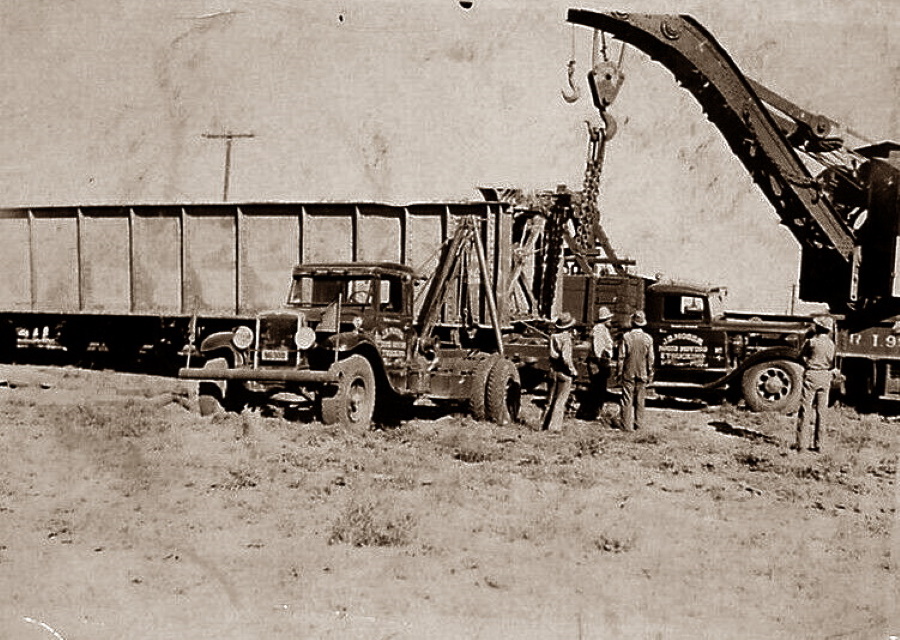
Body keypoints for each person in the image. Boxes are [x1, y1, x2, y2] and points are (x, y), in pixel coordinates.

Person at [795, 315, 836, 452]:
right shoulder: (831, 344)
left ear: (818, 327)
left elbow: (801, 356)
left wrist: (809, 363)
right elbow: (831, 360)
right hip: (825, 376)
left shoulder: (811, 342)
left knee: (805, 410)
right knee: (822, 411)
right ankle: (820, 445)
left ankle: (801, 445)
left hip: (812, 374)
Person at [542, 312, 579, 432]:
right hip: (564, 372)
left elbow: (552, 354)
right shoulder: (566, 339)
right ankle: (554, 428)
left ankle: (543, 424)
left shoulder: (553, 337)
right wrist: (573, 371)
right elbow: (566, 358)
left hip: (553, 370)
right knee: (560, 401)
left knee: (550, 399)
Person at [618, 310, 654, 431]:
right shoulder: (648, 339)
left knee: (627, 399)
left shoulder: (626, 337)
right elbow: (651, 358)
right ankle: (639, 425)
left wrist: (619, 372)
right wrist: (650, 372)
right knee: (640, 400)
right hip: (642, 372)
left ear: (632, 322)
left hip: (628, 371)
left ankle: (626, 426)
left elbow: (621, 357)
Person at [582, 306, 614, 419]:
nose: (611, 321)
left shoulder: (602, 329)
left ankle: (595, 412)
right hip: (598, 363)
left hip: (598, 363)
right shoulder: (600, 329)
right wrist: (602, 363)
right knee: (597, 388)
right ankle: (593, 413)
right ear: (605, 319)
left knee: (598, 388)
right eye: (609, 319)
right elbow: (598, 348)